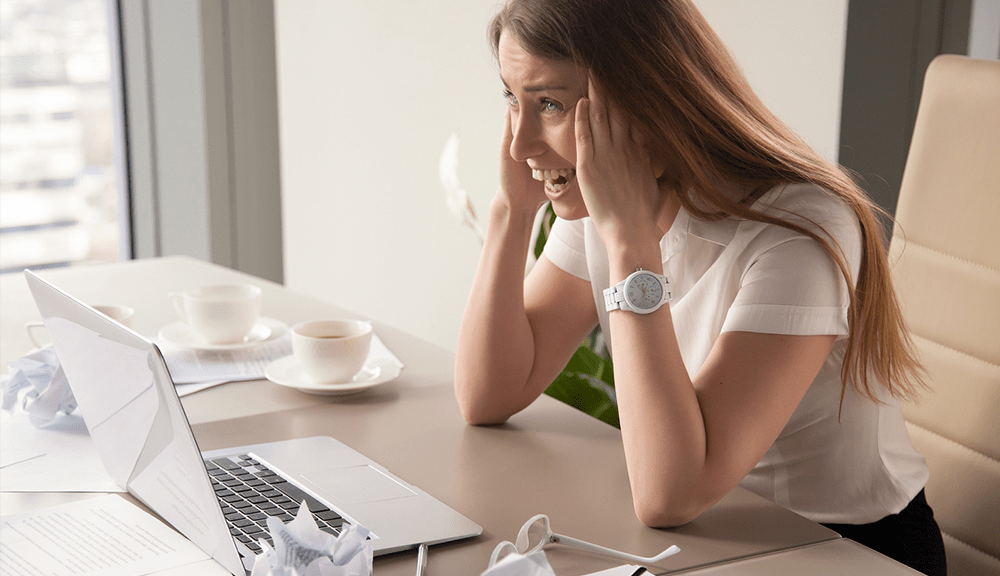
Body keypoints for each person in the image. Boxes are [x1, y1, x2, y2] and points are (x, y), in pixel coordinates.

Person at [452, 1, 947, 574]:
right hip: (715, 538)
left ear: (646, 100)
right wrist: (511, 212)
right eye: (512, 98)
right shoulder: (600, 203)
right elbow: (488, 394)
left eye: (551, 104)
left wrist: (631, 243)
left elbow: (669, 495)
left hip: (844, 550)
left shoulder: (798, 232)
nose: (521, 143)